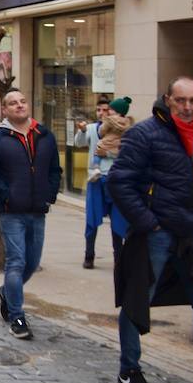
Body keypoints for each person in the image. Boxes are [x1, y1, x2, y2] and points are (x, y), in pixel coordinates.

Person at [110, 77, 193, 383]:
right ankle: (129, 368)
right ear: (168, 99)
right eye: (181, 100)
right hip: (155, 234)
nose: (187, 107)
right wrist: (149, 222)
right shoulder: (144, 134)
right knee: (137, 299)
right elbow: (119, 182)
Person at [0, 89, 61, 341]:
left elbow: (55, 169)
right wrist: (6, 194)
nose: (19, 106)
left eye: (22, 101)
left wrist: (50, 194)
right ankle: (17, 316)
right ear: (5, 110)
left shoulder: (44, 135)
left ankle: (6, 292)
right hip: (11, 211)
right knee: (16, 261)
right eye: (13, 103)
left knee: (32, 263)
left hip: (38, 209)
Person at [83, 96, 131, 269]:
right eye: (100, 110)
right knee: (97, 219)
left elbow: (128, 152)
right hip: (104, 178)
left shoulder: (113, 128)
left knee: (112, 220)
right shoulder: (128, 127)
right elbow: (78, 142)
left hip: (108, 177)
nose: (103, 113)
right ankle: (96, 255)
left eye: (107, 110)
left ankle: (112, 256)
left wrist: (107, 154)